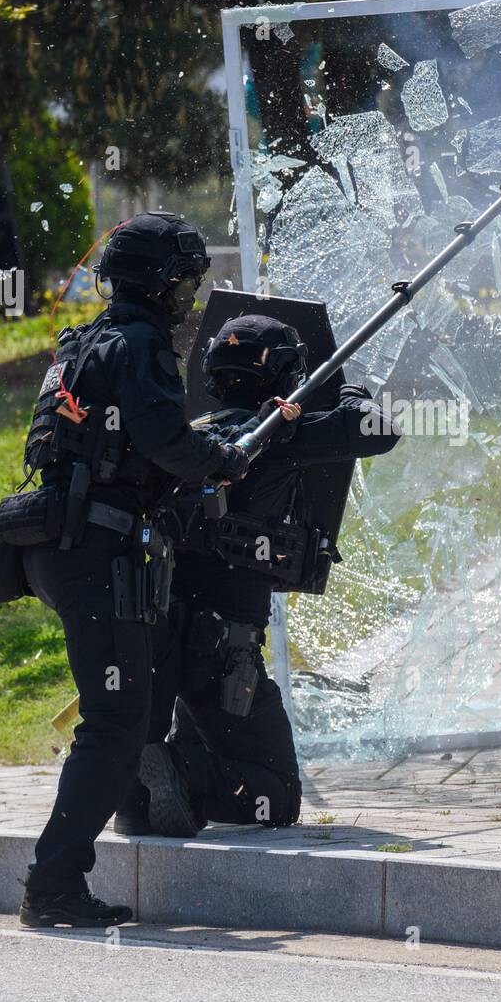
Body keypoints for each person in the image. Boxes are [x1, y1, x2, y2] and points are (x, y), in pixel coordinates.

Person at [16, 213, 249, 929]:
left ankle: (62, 873)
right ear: (155, 283)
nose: (187, 297)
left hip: (60, 544)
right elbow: (160, 441)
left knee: (121, 714)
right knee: (117, 721)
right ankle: (52, 887)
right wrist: (222, 458)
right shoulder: (143, 344)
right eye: (183, 282)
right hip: (97, 553)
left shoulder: (80, 341)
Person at [115, 312, 402, 838]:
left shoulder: (190, 438)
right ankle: (181, 773)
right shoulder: (274, 435)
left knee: (200, 728)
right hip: (224, 648)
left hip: (161, 636)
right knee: (275, 795)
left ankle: (139, 792)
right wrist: (353, 392)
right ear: (284, 379)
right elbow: (379, 430)